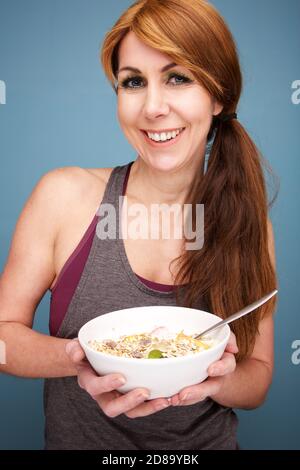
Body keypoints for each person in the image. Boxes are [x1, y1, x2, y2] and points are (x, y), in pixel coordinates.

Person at [0, 0, 278, 450]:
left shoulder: (248, 223)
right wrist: (78, 358)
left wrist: (215, 381)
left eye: (178, 78)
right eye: (133, 82)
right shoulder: (63, 195)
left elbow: (258, 378)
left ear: (218, 95)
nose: (152, 107)